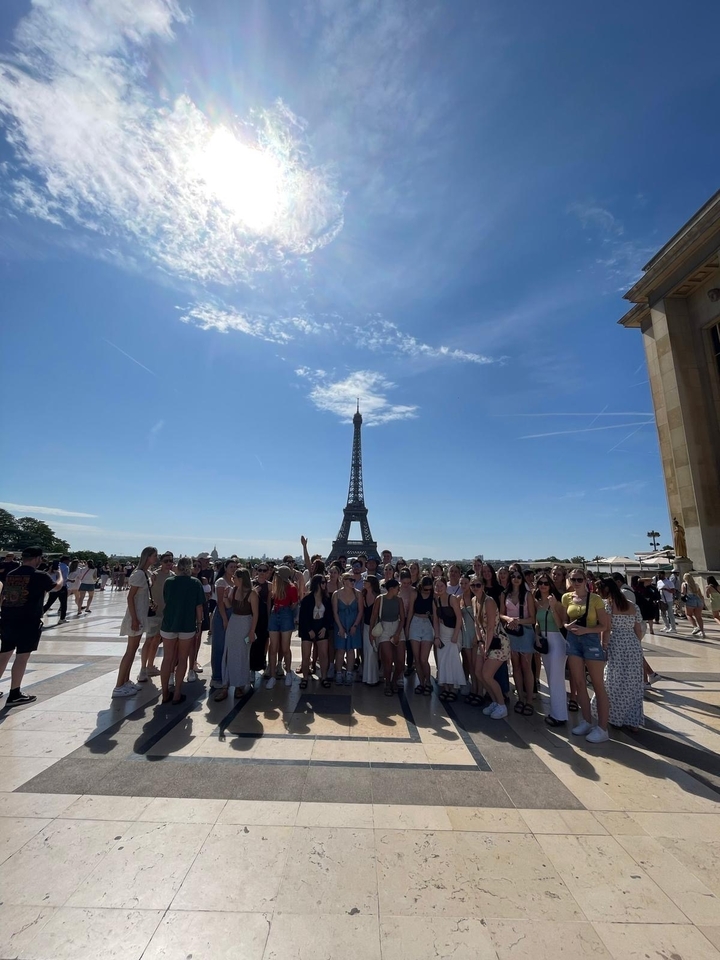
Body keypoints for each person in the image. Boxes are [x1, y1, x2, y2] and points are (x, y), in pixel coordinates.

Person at [0, 547, 64, 706]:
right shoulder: (39, 575)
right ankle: (14, 693)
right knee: (22, 656)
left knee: (4, 654)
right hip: (28, 620)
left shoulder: (11, 574)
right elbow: (57, 587)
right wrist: (59, 574)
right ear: (37, 558)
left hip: (8, 618)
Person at [562, 568, 611, 743]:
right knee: (579, 682)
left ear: (586, 580)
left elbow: (604, 625)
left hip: (590, 639)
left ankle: (603, 728)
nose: (576, 583)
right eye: (573, 579)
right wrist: (567, 626)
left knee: (598, 685)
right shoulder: (566, 598)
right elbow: (564, 619)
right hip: (573, 639)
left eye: (579, 579)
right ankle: (587, 720)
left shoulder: (596, 599)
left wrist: (586, 630)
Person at [113, 546, 158, 698]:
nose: (156, 559)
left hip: (140, 615)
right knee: (130, 651)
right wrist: (134, 618)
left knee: (133, 649)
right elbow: (130, 597)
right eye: (154, 556)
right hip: (136, 616)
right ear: (148, 557)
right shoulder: (139, 574)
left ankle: (125, 681)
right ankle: (119, 685)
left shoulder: (146, 573)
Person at [159, 556, 205, 705]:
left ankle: (165, 691)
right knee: (183, 658)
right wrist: (199, 623)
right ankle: (178, 691)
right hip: (187, 624)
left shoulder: (169, 582)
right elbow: (199, 607)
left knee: (168, 658)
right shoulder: (195, 583)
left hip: (169, 623)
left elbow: (166, 600)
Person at [602, 577, 645, 731]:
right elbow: (638, 629)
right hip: (632, 644)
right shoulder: (633, 606)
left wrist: (604, 647)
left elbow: (606, 629)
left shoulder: (609, 605)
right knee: (633, 683)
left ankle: (615, 716)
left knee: (613, 680)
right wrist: (637, 644)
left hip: (616, 642)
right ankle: (633, 721)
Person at [499, 570, 537, 716]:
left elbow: (533, 618)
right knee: (516, 667)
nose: (515, 579)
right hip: (511, 633)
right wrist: (508, 619)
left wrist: (517, 621)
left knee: (527, 667)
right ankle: (520, 698)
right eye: (513, 577)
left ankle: (529, 701)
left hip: (525, 632)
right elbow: (501, 613)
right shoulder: (505, 594)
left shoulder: (527, 595)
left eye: (518, 577)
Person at [533, 574, 568, 727]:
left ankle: (559, 715)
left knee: (556, 678)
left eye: (546, 583)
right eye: (540, 583)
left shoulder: (557, 601)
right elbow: (537, 622)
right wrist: (536, 635)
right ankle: (555, 712)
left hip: (558, 640)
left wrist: (553, 607)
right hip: (545, 640)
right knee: (549, 676)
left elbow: (562, 624)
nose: (543, 585)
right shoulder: (537, 602)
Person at [471, 577, 509, 719]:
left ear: (483, 586)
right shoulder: (475, 601)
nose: (475, 587)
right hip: (484, 641)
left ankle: (501, 704)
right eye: (473, 585)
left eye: (478, 585)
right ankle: (494, 701)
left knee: (487, 674)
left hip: (497, 642)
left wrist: (486, 648)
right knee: (478, 672)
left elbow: (491, 627)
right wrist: (480, 641)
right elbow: (476, 624)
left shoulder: (489, 601)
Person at [220, 567, 258, 699]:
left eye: (234, 577)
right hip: (234, 622)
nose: (232, 579)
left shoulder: (252, 594)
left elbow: (255, 614)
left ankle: (240, 684)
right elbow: (230, 606)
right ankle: (227, 684)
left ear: (241, 579)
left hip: (245, 623)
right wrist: (225, 598)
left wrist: (252, 631)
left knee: (242, 654)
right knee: (229, 652)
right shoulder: (234, 590)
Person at [139, 553, 174, 683]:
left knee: (156, 640)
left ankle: (150, 665)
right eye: (166, 561)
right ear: (161, 562)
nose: (169, 563)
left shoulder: (173, 576)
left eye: (171, 561)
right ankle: (143, 668)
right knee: (149, 640)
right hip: (154, 612)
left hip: (165, 613)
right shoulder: (154, 575)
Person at [369, 577, 405, 696]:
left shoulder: (399, 600)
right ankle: (388, 683)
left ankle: (394, 680)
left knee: (400, 661)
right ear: (391, 589)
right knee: (387, 660)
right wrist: (371, 633)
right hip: (384, 627)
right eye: (397, 588)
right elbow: (374, 616)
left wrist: (398, 633)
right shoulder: (380, 599)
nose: (399, 590)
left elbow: (402, 618)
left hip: (397, 627)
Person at [432, 577, 465, 701]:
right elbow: (435, 620)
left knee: (453, 660)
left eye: (441, 586)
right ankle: (446, 687)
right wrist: (436, 636)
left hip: (453, 633)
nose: (439, 588)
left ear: (445, 586)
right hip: (442, 634)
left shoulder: (452, 599)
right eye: (437, 586)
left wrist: (456, 635)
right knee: (442, 661)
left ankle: (454, 688)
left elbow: (459, 618)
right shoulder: (436, 601)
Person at [298, 573, 333, 688]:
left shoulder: (327, 599)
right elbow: (303, 617)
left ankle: (324, 677)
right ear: (317, 584)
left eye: (325, 582)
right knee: (306, 654)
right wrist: (309, 630)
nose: (324, 584)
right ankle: (305, 678)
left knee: (323, 654)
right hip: (308, 628)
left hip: (321, 626)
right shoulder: (307, 599)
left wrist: (324, 628)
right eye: (322, 582)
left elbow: (329, 616)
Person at [267, 565, 298, 688]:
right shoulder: (276, 587)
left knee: (285, 647)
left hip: (283, 613)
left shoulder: (291, 588)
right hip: (277, 612)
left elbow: (294, 604)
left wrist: (287, 612)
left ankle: (288, 672)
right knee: (273, 647)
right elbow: (294, 604)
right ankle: (273, 675)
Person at [210, 559, 237, 693]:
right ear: (225, 567)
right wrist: (225, 619)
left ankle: (226, 674)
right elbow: (220, 602)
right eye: (231, 566)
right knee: (219, 646)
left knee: (228, 647)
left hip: (232, 612)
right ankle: (216, 677)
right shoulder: (221, 581)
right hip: (222, 614)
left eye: (235, 567)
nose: (233, 568)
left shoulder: (234, 581)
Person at [405, 574, 435, 694]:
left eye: (429, 589)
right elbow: (411, 610)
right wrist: (407, 628)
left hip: (427, 624)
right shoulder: (414, 594)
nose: (428, 591)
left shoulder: (433, 596)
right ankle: (421, 682)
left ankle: (428, 681)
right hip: (416, 623)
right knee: (417, 658)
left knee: (424, 658)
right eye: (425, 589)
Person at [332, 571, 363, 685]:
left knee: (351, 650)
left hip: (353, 624)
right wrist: (340, 627)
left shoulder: (358, 594)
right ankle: (339, 672)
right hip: (341, 623)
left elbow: (360, 611)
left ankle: (349, 673)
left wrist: (355, 625)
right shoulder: (336, 594)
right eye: (350, 580)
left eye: (354, 580)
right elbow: (335, 612)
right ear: (344, 581)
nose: (353, 582)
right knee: (340, 650)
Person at [250, 562, 272, 675]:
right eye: (260, 570)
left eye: (264, 570)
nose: (262, 573)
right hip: (251, 615)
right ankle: (251, 666)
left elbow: (268, 603)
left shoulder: (269, 585)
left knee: (262, 640)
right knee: (252, 641)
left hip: (263, 615)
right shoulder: (251, 584)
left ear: (268, 572)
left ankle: (262, 662)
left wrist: (268, 618)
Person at [361, 575, 381, 685]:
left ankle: (373, 678)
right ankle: (367, 677)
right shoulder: (362, 595)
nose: (364, 582)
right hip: (365, 626)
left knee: (373, 652)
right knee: (367, 651)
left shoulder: (378, 596)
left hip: (375, 627)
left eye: (366, 581)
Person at [43, 554, 69, 622]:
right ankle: (62, 618)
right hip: (62, 587)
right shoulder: (65, 567)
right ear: (66, 560)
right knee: (63, 603)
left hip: (53, 587)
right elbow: (65, 578)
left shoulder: (54, 566)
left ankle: (39, 614)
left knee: (49, 603)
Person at [681, 573, 706, 638]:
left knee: (688, 614)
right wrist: (702, 602)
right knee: (699, 617)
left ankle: (695, 627)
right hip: (698, 600)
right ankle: (702, 632)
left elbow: (683, 593)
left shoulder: (684, 584)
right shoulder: (696, 585)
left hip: (690, 600)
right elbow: (700, 594)